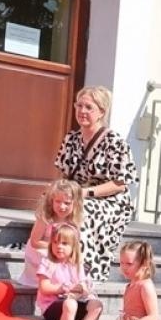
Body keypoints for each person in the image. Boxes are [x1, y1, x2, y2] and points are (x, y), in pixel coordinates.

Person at [54, 85, 137, 282]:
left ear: (101, 112)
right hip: (76, 194)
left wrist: (85, 193)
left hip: (110, 200)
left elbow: (121, 183)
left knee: (82, 210)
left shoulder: (114, 141)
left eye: (89, 107)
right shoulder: (71, 139)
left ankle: (85, 271)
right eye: (79, 105)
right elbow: (63, 174)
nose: (82, 111)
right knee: (51, 203)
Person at [35, 223, 102, 320]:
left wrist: (83, 289)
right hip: (52, 308)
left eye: (64, 243)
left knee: (97, 305)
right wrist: (63, 288)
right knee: (70, 303)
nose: (59, 246)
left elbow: (83, 284)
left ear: (74, 247)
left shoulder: (77, 265)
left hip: (73, 304)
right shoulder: (48, 262)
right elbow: (44, 287)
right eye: (55, 242)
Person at [20, 179, 85, 287]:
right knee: (52, 256)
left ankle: (75, 283)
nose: (62, 206)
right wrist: (53, 247)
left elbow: (73, 243)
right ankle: (52, 284)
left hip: (61, 250)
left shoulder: (73, 221)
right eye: (58, 201)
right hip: (41, 250)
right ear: (51, 201)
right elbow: (34, 242)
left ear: (75, 203)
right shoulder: (46, 218)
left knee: (76, 257)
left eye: (67, 203)